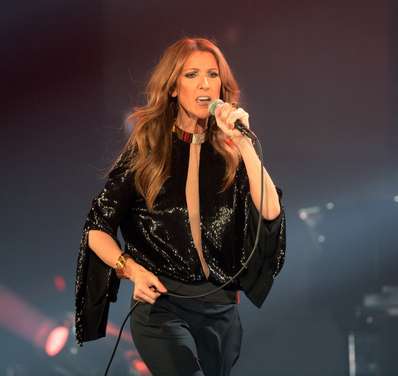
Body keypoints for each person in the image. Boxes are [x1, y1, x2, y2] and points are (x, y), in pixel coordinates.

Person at [74, 37, 286, 376]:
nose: (204, 83)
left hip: (220, 310)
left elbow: (271, 213)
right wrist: (131, 269)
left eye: (212, 74)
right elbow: (96, 230)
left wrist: (243, 144)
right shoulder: (148, 149)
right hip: (162, 307)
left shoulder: (232, 153)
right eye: (191, 75)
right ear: (173, 87)